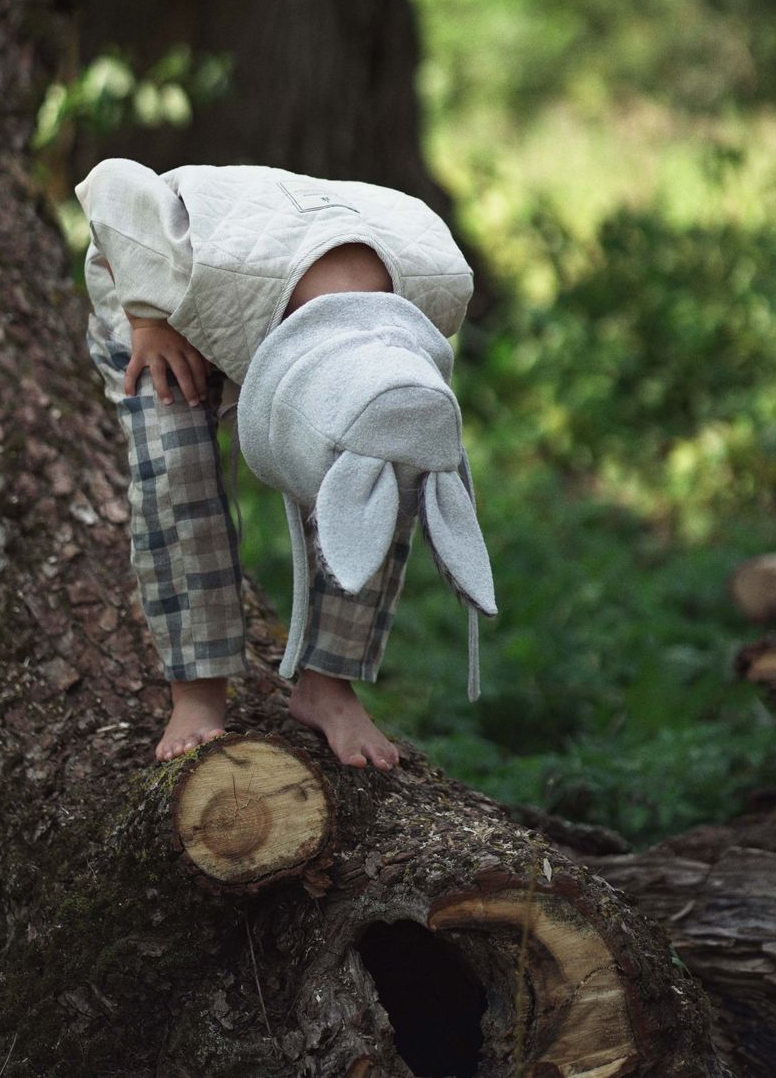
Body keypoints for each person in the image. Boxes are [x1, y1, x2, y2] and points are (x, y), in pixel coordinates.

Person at [75, 158, 496, 768]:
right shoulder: (202, 268)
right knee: (178, 476)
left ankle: (328, 683)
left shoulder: (438, 289)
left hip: (320, 301)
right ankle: (196, 694)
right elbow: (112, 183)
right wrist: (146, 315)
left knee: (387, 457)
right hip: (168, 297)